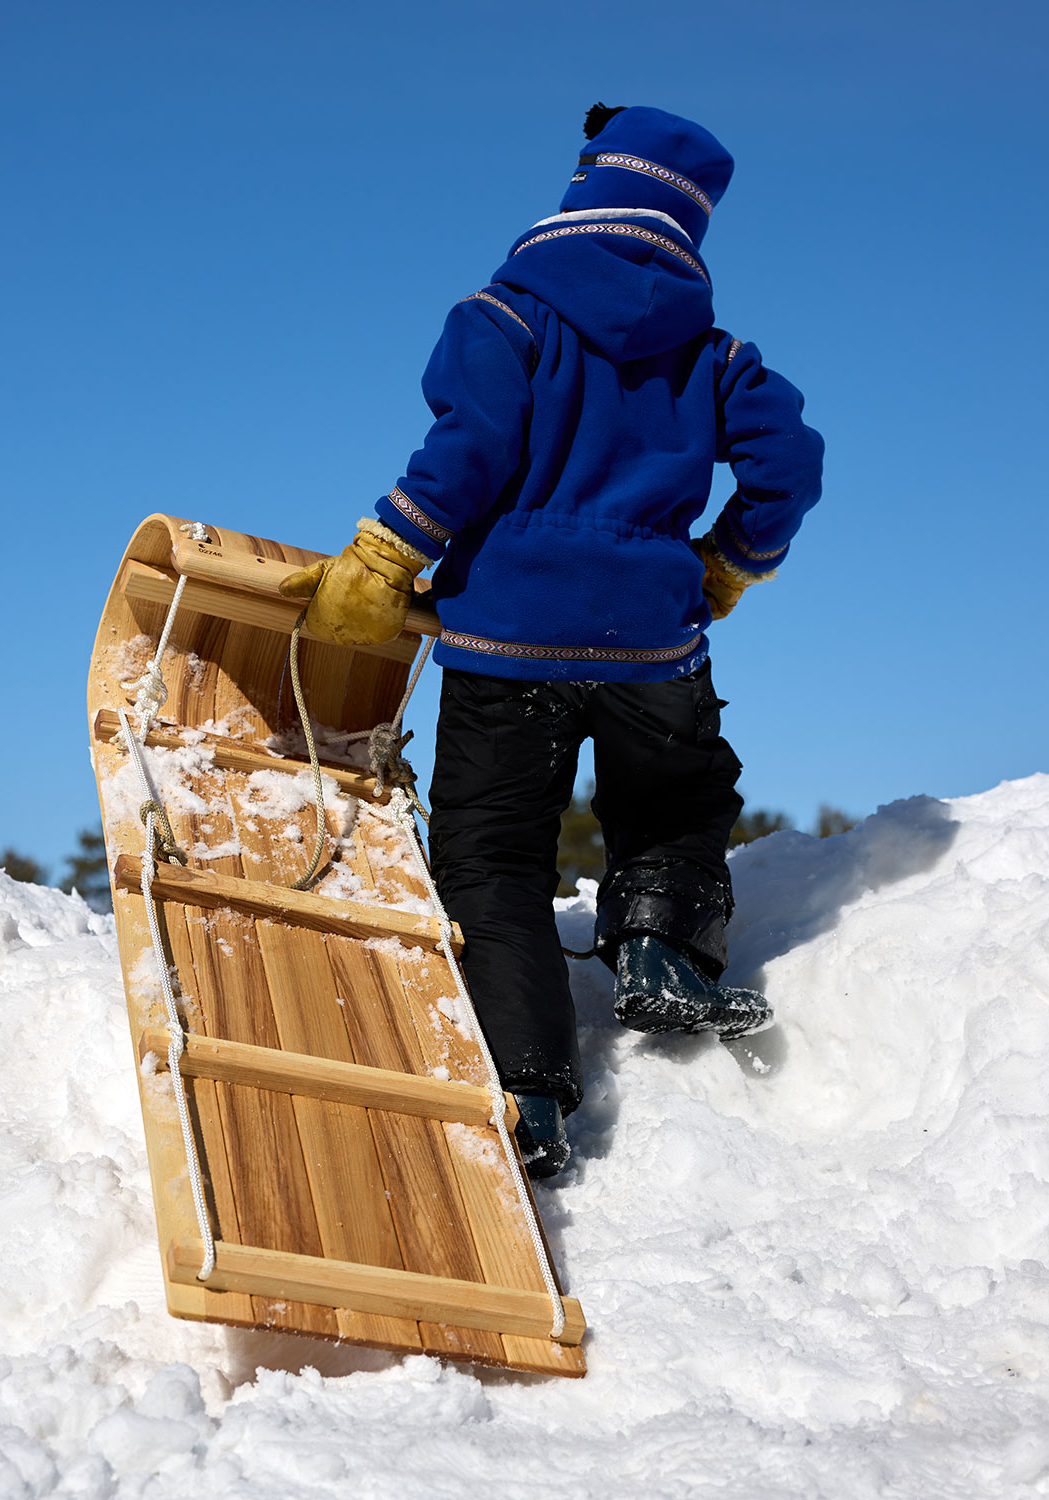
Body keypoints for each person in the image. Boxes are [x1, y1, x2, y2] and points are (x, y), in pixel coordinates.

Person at [280, 104, 824, 1177]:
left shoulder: (505, 318)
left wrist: (390, 550)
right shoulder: (716, 357)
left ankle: (529, 1092)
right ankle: (662, 948)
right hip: (652, 645)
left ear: (583, 189)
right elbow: (791, 466)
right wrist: (732, 561)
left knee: (495, 859)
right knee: (672, 808)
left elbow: (469, 450)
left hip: (509, 642)